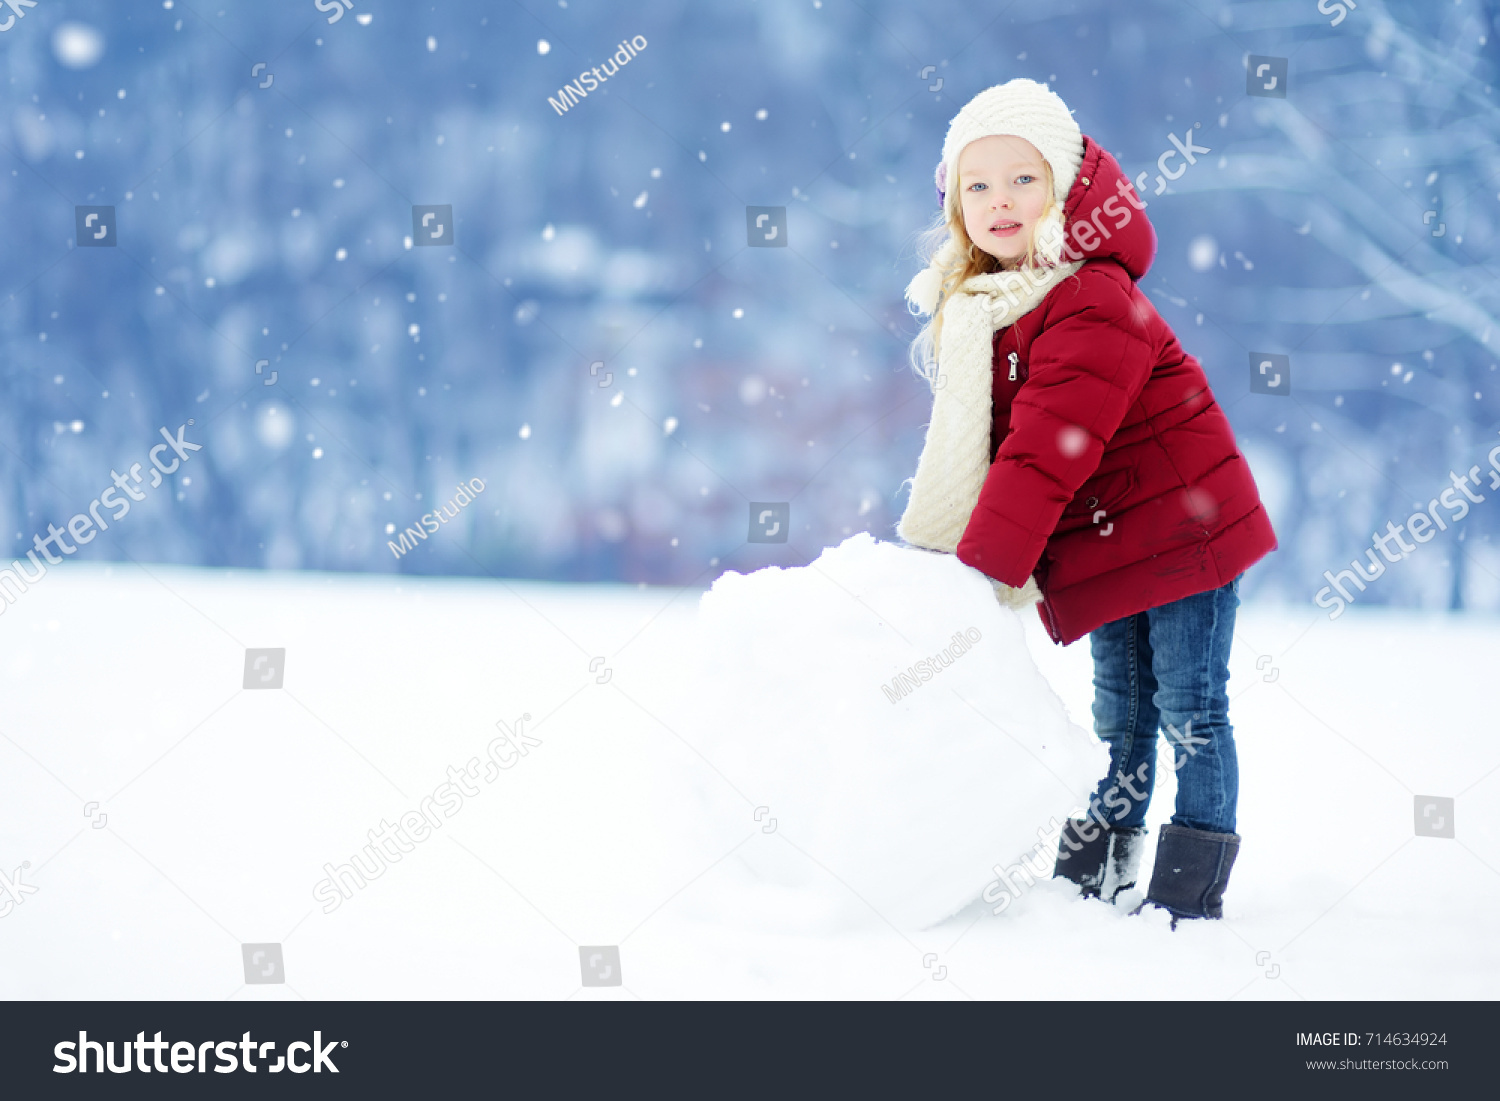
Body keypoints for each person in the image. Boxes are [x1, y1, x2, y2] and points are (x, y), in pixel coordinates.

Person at [895, 79, 1277, 926]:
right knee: (1120, 711)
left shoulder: (1090, 296)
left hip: (1187, 531)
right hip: (1113, 540)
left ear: (1065, 188)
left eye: (1022, 180)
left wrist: (977, 577)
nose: (1000, 201)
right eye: (977, 184)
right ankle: (1094, 875)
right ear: (954, 203)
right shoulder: (990, 307)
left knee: (1189, 706)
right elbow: (997, 453)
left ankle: (1189, 887)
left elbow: (1043, 452)